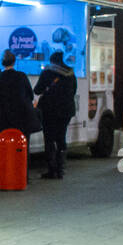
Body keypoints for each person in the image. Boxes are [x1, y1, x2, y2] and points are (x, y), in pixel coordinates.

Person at [35, 50, 78, 180]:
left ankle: (51, 169)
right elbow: (73, 91)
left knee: (49, 139)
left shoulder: (47, 73)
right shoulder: (71, 75)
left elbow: (37, 90)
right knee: (61, 138)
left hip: (50, 111)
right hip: (66, 111)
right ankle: (60, 169)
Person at [0, 50, 41, 141]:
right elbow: (30, 95)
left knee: (7, 146)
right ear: (14, 62)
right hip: (23, 118)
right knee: (22, 147)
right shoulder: (21, 76)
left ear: (2, 63)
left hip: (6, 119)